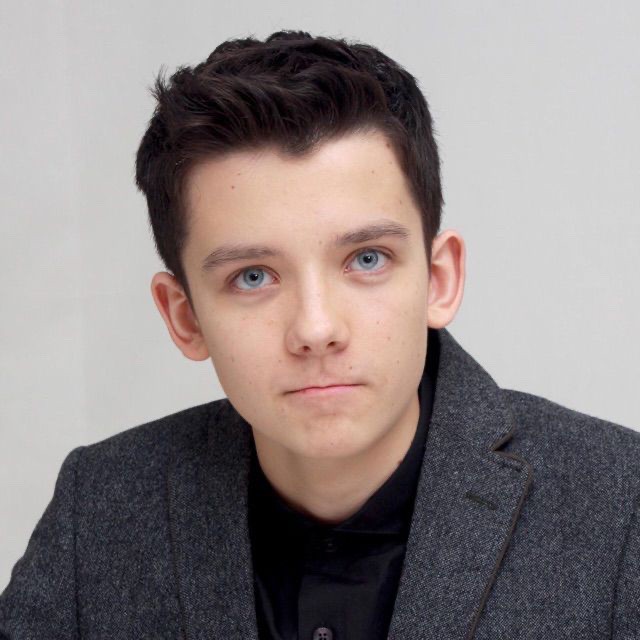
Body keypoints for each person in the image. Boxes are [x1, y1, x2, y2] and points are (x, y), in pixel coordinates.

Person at [1, 30, 638, 640]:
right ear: (184, 316)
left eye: (366, 259)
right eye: (253, 276)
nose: (316, 329)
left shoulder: (622, 503)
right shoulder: (99, 506)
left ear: (439, 279)